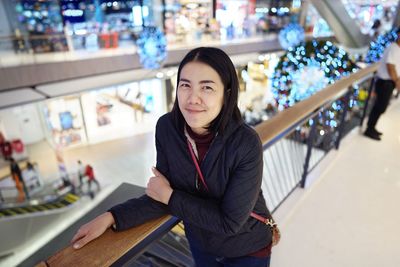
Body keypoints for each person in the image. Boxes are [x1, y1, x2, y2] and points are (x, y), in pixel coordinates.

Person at [71, 47, 280, 266]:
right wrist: (112, 217)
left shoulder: (245, 143)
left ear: (227, 94)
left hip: (247, 246)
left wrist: (171, 197)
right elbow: (162, 195)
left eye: (207, 88)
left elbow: (228, 222)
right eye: (185, 85)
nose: (193, 98)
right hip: (201, 243)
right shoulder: (167, 128)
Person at [364, 29, 400, 141]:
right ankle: (369, 129)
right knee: (379, 107)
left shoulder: (397, 49)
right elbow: (390, 66)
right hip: (385, 83)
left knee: (380, 107)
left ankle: (372, 127)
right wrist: (397, 81)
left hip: (388, 83)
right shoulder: (393, 48)